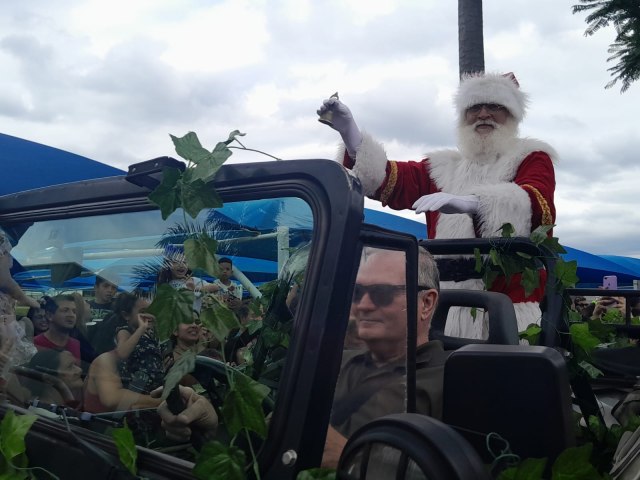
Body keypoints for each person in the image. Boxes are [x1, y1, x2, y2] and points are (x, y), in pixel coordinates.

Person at [317, 72, 557, 339]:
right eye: (474, 108)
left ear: (512, 115)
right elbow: (389, 179)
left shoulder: (531, 157)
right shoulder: (443, 167)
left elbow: (537, 204)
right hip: (444, 300)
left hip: (506, 303)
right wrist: (350, 133)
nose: (483, 114)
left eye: (495, 107)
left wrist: (475, 203)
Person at [323, 246, 446, 468]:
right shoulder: (334, 361)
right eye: (357, 292)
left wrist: (344, 457)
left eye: (382, 293)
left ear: (426, 304)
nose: (363, 305)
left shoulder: (454, 383)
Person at [83, 348, 162, 413]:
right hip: (93, 427)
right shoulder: (104, 360)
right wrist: (163, 401)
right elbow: (112, 399)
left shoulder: (128, 360)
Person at [115, 298, 164, 394]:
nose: (148, 315)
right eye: (143, 312)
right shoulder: (125, 331)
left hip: (154, 388)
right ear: (126, 315)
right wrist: (141, 329)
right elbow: (121, 354)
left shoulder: (150, 334)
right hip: (136, 390)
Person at [33, 295, 81, 364]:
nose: (71, 315)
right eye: (65, 310)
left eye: (74, 311)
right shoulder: (35, 344)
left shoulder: (76, 344)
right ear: (49, 315)